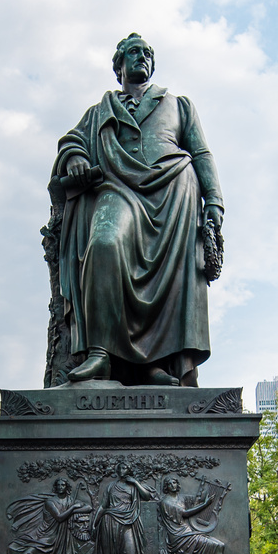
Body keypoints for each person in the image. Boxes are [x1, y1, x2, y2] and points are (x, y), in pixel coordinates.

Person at [50, 33, 225, 388]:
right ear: (119, 66)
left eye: (146, 53)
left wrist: (214, 201)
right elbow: (72, 141)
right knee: (104, 243)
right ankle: (100, 354)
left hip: (173, 193)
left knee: (169, 279)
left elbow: (202, 153)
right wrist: (77, 157)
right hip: (117, 188)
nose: (141, 57)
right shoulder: (100, 110)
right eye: (133, 53)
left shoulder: (178, 105)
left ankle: (154, 365)